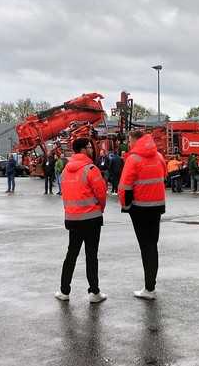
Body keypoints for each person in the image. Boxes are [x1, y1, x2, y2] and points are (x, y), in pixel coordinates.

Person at [55, 138, 107, 304]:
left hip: (73, 219)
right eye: (89, 147)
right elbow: (101, 193)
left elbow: (65, 194)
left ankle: (64, 290)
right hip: (91, 218)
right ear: (83, 150)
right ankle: (94, 292)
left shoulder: (65, 171)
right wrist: (100, 209)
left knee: (71, 254)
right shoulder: (91, 169)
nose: (92, 149)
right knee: (91, 255)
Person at [119, 129, 167, 300]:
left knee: (145, 247)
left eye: (130, 141)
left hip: (139, 209)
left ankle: (149, 289)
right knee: (152, 246)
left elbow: (124, 187)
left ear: (135, 140)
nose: (129, 144)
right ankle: (150, 285)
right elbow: (164, 176)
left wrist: (126, 206)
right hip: (157, 206)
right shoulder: (159, 156)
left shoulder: (133, 159)